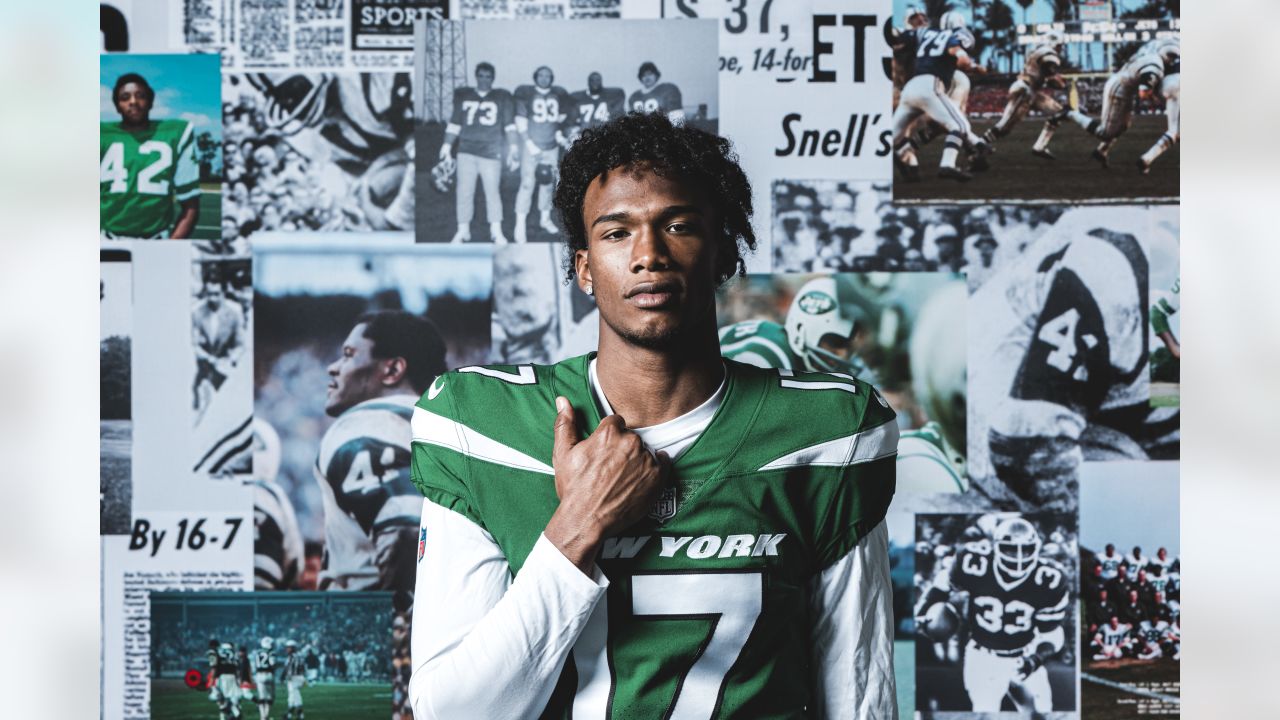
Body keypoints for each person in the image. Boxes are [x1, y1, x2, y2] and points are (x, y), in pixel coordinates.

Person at [409, 113, 898, 718]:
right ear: (584, 268)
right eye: (617, 233)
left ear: (722, 253)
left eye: (679, 226)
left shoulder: (826, 435)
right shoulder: (485, 424)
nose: (649, 255)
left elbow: (860, 698)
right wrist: (578, 525)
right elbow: (450, 713)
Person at [317, 311, 448, 591]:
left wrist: (401, 621)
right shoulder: (448, 427)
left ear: (392, 370)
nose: (333, 367)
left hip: (371, 626)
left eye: (349, 354)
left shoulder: (366, 423)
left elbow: (405, 530)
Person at [915, 517, 1068, 712]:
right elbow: (943, 583)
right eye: (1010, 548)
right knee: (986, 712)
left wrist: (1034, 660)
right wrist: (925, 609)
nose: (1019, 557)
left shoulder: (1049, 579)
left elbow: (1053, 635)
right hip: (984, 658)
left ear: (1036, 547)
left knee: (1041, 712)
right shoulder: (973, 561)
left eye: (1026, 549)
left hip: (1024, 652)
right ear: (996, 547)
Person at [887, 12, 992, 182]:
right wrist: (976, 66)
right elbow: (962, 61)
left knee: (890, 138)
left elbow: (898, 38)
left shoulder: (923, 34)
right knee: (960, 125)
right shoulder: (952, 37)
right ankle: (948, 164)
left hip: (909, 89)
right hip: (930, 85)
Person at [100, 73, 201, 239]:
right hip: (106, 240)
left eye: (140, 96)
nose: (133, 101)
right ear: (117, 106)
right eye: (125, 97)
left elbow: (191, 207)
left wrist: (169, 248)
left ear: (151, 102)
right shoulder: (101, 135)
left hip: (156, 239)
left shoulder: (175, 133)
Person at [438, 62, 518, 244]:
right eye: (481, 75)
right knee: (464, 192)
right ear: (476, 76)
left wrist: (513, 148)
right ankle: (463, 231)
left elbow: (509, 125)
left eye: (488, 76)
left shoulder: (501, 97)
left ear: (493, 78)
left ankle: (496, 231)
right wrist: (446, 145)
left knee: (493, 193)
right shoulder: (464, 96)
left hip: (491, 152)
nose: (484, 80)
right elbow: (455, 124)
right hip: (466, 150)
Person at [514, 66, 572, 242]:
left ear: (552, 78)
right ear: (535, 77)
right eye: (541, 75)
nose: (545, 78)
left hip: (551, 147)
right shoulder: (526, 94)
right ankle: (520, 224)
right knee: (527, 184)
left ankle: (544, 219)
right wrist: (530, 144)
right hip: (532, 147)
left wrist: (559, 135)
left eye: (548, 76)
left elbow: (557, 122)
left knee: (548, 184)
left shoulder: (558, 96)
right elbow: (521, 122)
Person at [253, 637, 277, 720]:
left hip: (259, 675)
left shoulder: (257, 652)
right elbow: (272, 663)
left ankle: (262, 716)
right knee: (270, 697)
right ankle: (266, 714)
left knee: (261, 697)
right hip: (269, 674)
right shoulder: (271, 652)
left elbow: (255, 665)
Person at [282, 641, 306, 720]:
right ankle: (288, 715)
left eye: (289, 647)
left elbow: (287, 668)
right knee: (292, 696)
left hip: (293, 678)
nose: (287, 649)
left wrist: (282, 677)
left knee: (295, 696)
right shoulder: (300, 655)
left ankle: (300, 714)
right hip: (300, 677)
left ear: (293, 648)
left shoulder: (291, 657)